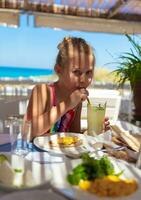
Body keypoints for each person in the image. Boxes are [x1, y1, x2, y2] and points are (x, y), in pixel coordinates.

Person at [24, 37, 110, 140]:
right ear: (58, 70)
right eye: (77, 72)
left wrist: (93, 132)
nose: (83, 79)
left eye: (88, 72)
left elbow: (74, 135)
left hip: (61, 155)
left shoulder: (77, 99)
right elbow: (29, 132)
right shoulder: (42, 91)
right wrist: (67, 104)